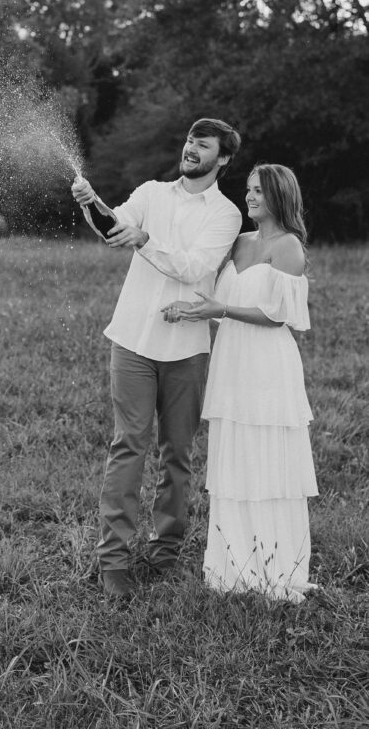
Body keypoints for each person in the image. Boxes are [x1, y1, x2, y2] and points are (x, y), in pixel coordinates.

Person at [72, 118, 242, 598]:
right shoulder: (151, 192)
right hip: (132, 340)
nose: (191, 149)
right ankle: (113, 561)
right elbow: (115, 228)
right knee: (128, 444)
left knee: (177, 455)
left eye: (202, 145)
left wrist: (144, 240)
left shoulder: (225, 214)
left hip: (186, 349)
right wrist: (93, 205)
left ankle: (165, 551)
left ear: (222, 159)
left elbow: (193, 269)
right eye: (189, 140)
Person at [162, 163, 318, 601]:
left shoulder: (289, 247)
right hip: (232, 359)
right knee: (235, 456)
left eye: (258, 192)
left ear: (279, 196)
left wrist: (221, 312)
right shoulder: (240, 242)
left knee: (265, 457)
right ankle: (234, 568)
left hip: (267, 363)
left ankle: (275, 568)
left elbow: (277, 316)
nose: (249, 198)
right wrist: (189, 309)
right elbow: (216, 295)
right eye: (248, 190)